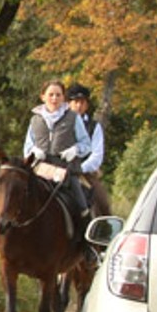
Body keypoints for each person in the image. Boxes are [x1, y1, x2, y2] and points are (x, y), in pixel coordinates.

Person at [22, 78, 95, 259]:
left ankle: (87, 247)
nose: (54, 98)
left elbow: (86, 144)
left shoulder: (73, 117)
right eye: (51, 95)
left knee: (81, 204)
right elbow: (27, 148)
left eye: (58, 95)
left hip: (66, 171)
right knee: (14, 197)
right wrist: (34, 152)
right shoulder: (35, 120)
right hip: (40, 170)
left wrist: (75, 150)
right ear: (43, 96)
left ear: (63, 98)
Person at [65, 82, 114, 218]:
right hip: (60, 171)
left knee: (101, 200)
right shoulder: (60, 124)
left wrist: (80, 168)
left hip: (85, 174)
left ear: (87, 104)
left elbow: (97, 156)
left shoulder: (94, 127)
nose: (79, 105)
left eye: (82, 102)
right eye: (75, 102)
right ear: (69, 104)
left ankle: (103, 226)